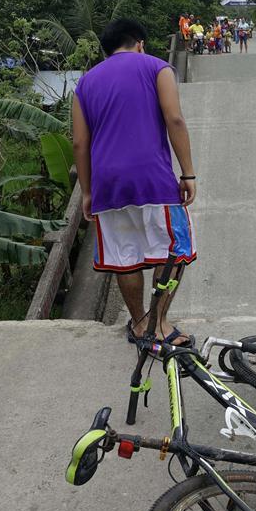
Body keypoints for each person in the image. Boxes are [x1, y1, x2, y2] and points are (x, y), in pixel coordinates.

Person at [72, 18, 197, 346]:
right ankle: (158, 324)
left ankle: (140, 324)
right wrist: (188, 173)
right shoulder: (158, 68)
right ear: (139, 42)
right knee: (174, 249)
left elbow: (79, 144)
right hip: (152, 178)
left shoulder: (84, 84)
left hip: (107, 185)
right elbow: (175, 119)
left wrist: (87, 191)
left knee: (125, 255)